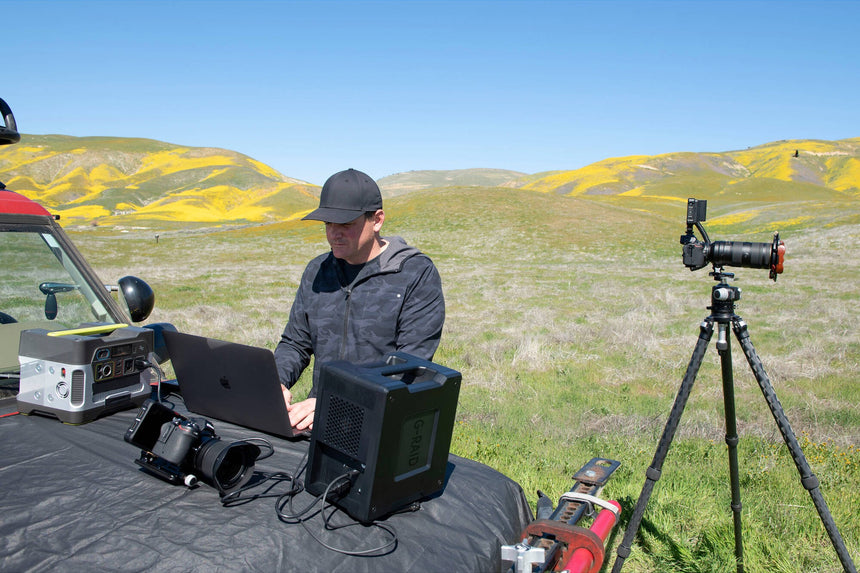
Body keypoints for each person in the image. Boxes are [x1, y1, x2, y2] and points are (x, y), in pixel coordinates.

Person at [274, 168, 445, 432]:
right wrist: (276, 382)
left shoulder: (415, 274)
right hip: (318, 421)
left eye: (345, 224)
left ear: (377, 220)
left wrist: (334, 400)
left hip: (384, 425)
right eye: (328, 224)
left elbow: (410, 365)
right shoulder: (317, 271)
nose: (334, 233)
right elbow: (295, 343)